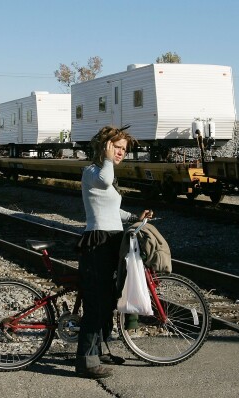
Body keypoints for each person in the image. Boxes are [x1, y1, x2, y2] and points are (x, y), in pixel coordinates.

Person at [75, 125, 153, 379]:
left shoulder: (103, 174)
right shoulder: (92, 172)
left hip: (112, 239)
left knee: (108, 299)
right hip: (98, 241)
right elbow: (105, 181)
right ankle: (86, 361)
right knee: (96, 302)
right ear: (104, 147)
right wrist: (107, 159)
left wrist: (133, 216)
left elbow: (111, 209)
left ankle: (99, 349)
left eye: (123, 150)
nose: (121, 153)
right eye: (116, 148)